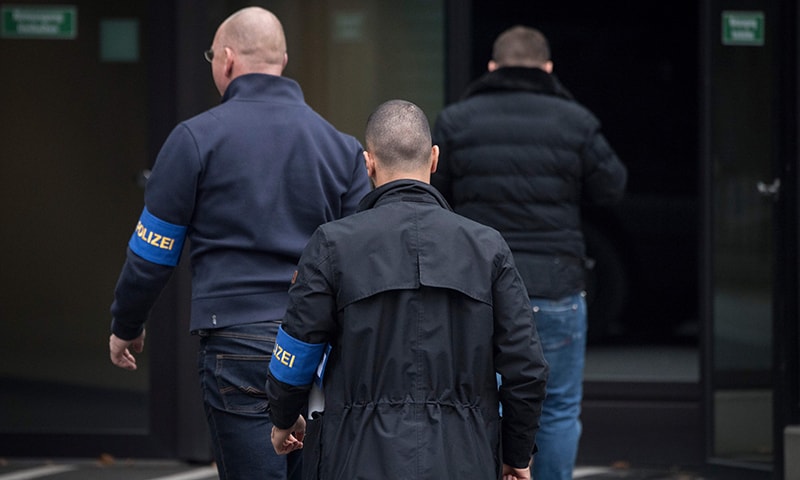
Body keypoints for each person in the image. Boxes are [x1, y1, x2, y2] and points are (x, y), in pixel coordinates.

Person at [107, 7, 370, 480]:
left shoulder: (194, 140)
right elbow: (365, 253)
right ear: (283, 59)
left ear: (226, 60)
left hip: (237, 344)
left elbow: (152, 254)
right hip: (319, 347)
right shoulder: (341, 147)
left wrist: (126, 322)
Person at [265, 99, 549, 480]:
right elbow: (527, 369)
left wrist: (284, 417)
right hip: (464, 458)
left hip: (356, 457)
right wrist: (516, 453)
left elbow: (296, 350)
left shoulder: (332, 245)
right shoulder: (488, 247)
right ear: (434, 159)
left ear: (368, 163)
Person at [431, 26, 628, 480]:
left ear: (493, 68)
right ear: (549, 69)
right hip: (556, 286)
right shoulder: (574, 121)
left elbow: (432, 195)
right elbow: (613, 186)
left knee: (477, 402)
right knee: (556, 407)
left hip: (480, 289)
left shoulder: (459, 120)